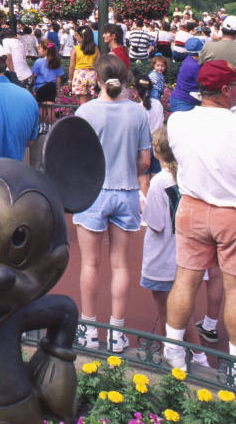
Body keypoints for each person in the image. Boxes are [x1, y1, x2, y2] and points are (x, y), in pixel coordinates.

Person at [162, 60, 236, 391]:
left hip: (193, 209)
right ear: (227, 90)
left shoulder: (178, 122)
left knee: (185, 279)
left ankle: (173, 348)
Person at [73, 55, 151, 352]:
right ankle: (117, 332)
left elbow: (76, 156)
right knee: (120, 265)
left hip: (94, 191)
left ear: (97, 79)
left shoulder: (86, 111)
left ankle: (89, 329)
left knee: (90, 264)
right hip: (127, 190)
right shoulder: (138, 113)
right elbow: (144, 161)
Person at [139, 130, 210, 368]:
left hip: (162, 257)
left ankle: (166, 359)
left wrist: (142, 204)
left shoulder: (160, 182)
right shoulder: (189, 177)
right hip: (186, 254)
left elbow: (156, 223)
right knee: (183, 310)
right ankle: (199, 356)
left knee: (165, 312)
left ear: (156, 151)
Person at [168, 37, 204, 113]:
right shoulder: (194, 66)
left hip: (181, 99)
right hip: (184, 102)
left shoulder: (189, 59)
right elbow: (203, 84)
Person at [69, 26, 99, 105]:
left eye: (77, 36)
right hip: (92, 75)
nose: (76, 37)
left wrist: (70, 79)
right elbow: (99, 63)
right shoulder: (96, 49)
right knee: (89, 99)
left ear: (82, 37)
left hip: (80, 75)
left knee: (82, 100)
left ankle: (83, 116)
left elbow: (72, 66)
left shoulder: (76, 49)